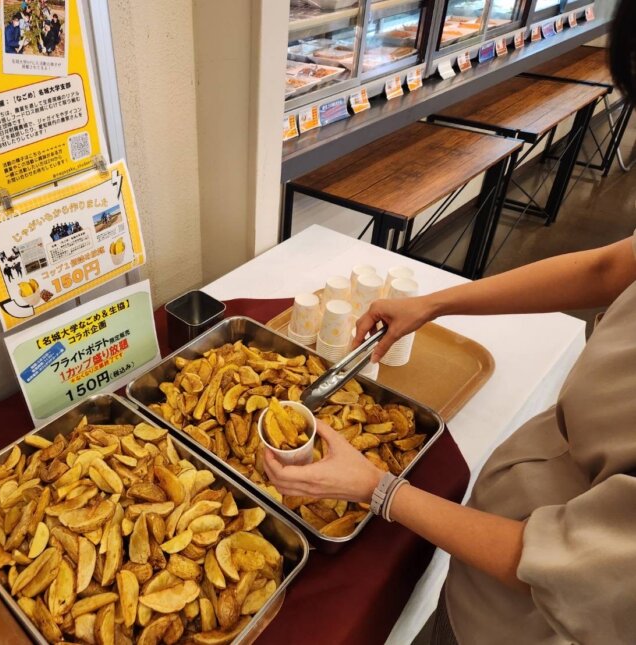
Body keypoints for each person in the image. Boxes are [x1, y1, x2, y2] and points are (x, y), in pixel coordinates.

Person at [264, 3, 636, 643]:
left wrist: (378, 489)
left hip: (527, 626)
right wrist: (433, 304)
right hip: (492, 543)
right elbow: (611, 267)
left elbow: (573, 573)